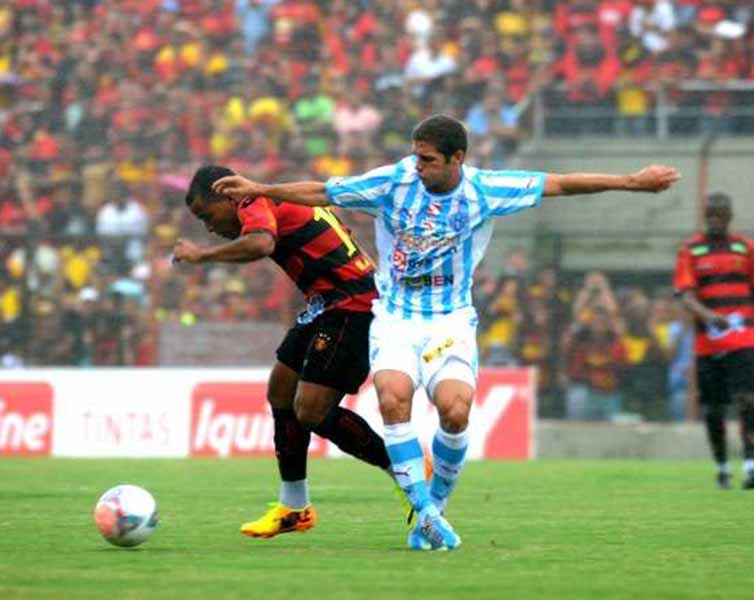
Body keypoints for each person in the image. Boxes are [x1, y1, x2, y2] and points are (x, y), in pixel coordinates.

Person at [212, 114, 680, 550]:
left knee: (455, 413)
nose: (418, 167)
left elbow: (559, 183)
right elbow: (324, 192)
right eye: (416, 156)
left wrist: (632, 183)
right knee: (393, 399)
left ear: (457, 159)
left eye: (428, 160)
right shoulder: (395, 181)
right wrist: (260, 188)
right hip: (394, 315)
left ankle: (434, 505)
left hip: (450, 319)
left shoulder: (485, 190)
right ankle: (426, 512)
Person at [174, 165, 414, 540]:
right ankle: (294, 507)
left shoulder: (252, 198)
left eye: (207, 215)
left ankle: (406, 470)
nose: (209, 226)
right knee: (281, 389)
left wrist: (203, 256)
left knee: (312, 410)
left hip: (354, 304)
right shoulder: (270, 196)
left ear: (227, 195)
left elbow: (261, 243)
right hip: (327, 304)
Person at [673, 192, 754, 490]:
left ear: (729, 216)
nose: (714, 219)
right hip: (709, 342)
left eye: (720, 214)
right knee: (713, 409)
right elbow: (686, 296)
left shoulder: (746, 248)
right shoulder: (691, 251)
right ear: (704, 215)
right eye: (709, 214)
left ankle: (751, 467)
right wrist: (708, 315)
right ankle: (723, 467)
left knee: (747, 401)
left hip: (744, 337)